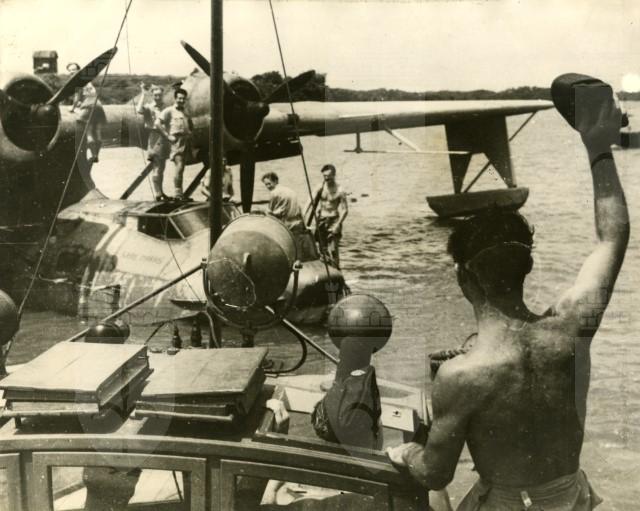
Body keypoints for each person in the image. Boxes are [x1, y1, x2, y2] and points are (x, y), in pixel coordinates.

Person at [387, 80, 628, 510]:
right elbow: (613, 237)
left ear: (463, 278)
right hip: (572, 497)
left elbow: (435, 473)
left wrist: (407, 452)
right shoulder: (572, 329)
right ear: (527, 267)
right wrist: (597, 148)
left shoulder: (461, 376)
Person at [306, 164, 348, 269]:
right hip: (321, 220)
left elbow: (345, 210)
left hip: (334, 220)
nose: (326, 178)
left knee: (333, 249)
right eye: (324, 176)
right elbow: (309, 202)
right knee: (322, 249)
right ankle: (327, 271)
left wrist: (338, 224)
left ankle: (337, 271)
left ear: (334, 175)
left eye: (329, 176)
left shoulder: (340, 190)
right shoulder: (320, 187)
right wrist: (303, 216)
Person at [156, 88, 193, 200]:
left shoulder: (186, 112)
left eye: (183, 99)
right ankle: (178, 194)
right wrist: (167, 136)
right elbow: (157, 123)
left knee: (182, 167)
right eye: (179, 98)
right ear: (175, 98)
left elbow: (190, 125)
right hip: (176, 142)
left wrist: (190, 133)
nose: (181, 100)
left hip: (186, 141)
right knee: (179, 166)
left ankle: (180, 194)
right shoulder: (169, 111)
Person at [136, 83, 169, 201]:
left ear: (163, 95)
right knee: (157, 167)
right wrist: (143, 94)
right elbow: (139, 110)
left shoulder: (166, 107)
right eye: (155, 95)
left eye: (160, 95)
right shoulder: (149, 107)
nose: (158, 97)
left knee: (161, 167)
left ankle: (160, 192)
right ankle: (158, 193)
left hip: (164, 137)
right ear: (152, 96)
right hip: (154, 136)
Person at [67, 62, 106, 163]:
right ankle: (96, 155)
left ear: (78, 70)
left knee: (89, 132)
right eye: (70, 70)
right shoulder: (87, 81)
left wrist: (72, 108)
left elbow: (76, 98)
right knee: (97, 132)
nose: (71, 72)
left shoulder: (77, 82)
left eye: (73, 70)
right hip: (98, 105)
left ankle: (94, 155)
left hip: (88, 107)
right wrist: (81, 102)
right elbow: (89, 95)